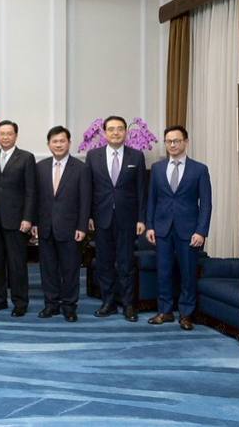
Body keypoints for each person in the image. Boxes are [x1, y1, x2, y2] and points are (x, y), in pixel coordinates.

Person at [146, 125, 212, 331]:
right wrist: (150, 226)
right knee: (163, 271)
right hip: (162, 228)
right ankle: (165, 311)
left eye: (176, 141)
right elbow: (152, 200)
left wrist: (201, 231)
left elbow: (206, 204)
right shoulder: (157, 168)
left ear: (186, 142)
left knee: (188, 273)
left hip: (190, 230)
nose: (172, 145)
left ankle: (186, 314)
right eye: (168, 141)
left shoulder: (199, 169)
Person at [85, 115, 147, 322]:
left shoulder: (136, 156)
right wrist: (88, 216)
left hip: (127, 219)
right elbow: (88, 189)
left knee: (126, 263)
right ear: (104, 133)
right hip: (101, 218)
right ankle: (108, 302)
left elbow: (141, 190)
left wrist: (141, 219)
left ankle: (129, 305)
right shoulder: (93, 156)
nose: (116, 132)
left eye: (120, 129)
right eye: (111, 129)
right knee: (104, 263)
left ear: (126, 132)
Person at [33, 126, 90, 322]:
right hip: (45, 227)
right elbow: (35, 198)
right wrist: (35, 222)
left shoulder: (81, 168)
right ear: (48, 144)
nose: (58, 145)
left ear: (69, 143)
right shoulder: (40, 167)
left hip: (71, 228)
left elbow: (85, 200)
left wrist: (82, 226)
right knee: (47, 269)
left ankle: (69, 306)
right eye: (54, 141)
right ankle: (51, 304)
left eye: (62, 141)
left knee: (70, 269)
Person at [0, 120, 36, 318]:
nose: (5, 137)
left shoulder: (26, 157)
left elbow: (31, 191)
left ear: (16, 135)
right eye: (2, 133)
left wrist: (28, 218)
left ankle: (20, 302)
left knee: (17, 264)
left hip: (17, 221)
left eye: (9, 133)